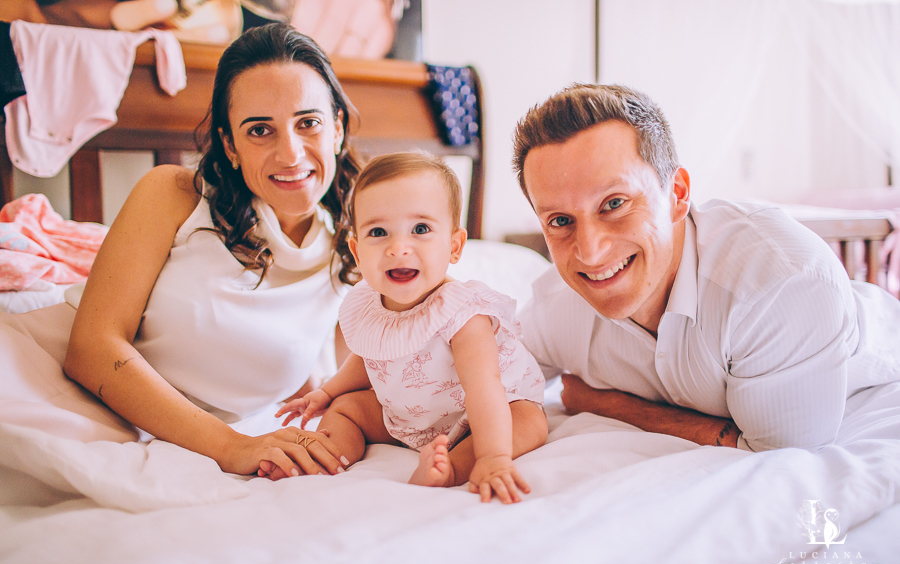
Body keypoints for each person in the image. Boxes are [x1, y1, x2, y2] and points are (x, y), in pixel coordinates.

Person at [513, 83, 900, 453]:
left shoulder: (781, 285)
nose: (591, 254)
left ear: (677, 195)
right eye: (561, 221)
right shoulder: (555, 308)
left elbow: (779, 456)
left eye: (614, 204)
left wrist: (603, 403)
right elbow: (488, 387)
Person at [63, 23, 360, 477]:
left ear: (337, 128)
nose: (291, 153)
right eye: (260, 130)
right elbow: (90, 349)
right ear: (230, 145)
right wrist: (231, 446)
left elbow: (347, 372)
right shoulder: (175, 194)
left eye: (309, 123)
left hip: (203, 449)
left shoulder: (358, 241)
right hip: (77, 405)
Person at [273, 152, 548, 503]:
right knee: (346, 408)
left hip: (489, 409)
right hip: (410, 415)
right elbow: (370, 356)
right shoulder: (371, 304)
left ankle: (451, 468)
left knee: (527, 424)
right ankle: (324, 454)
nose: (398, 248)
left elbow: (484, 389)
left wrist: (494, 458)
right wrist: (327, 393)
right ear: (357, 253)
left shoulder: (464, 314)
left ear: (454, 246)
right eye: (378, 232)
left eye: (420, 230)